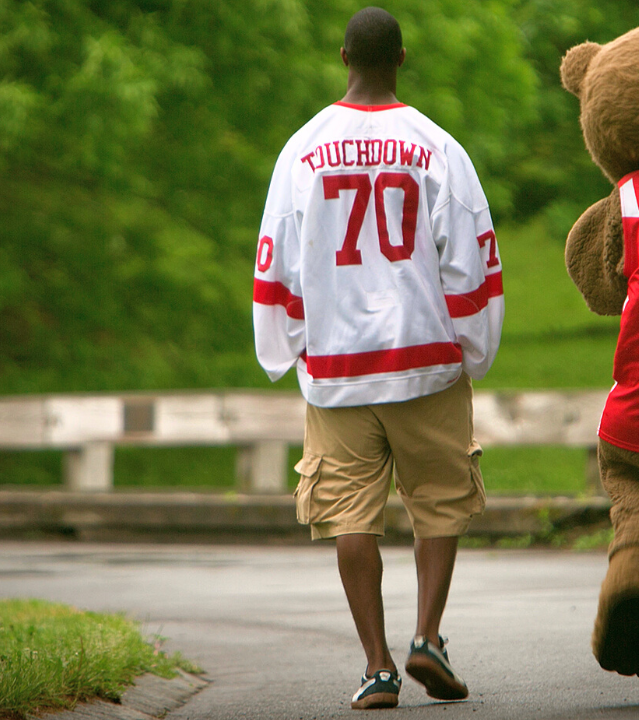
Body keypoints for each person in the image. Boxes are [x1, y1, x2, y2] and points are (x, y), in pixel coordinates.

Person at [253, 6, 503, 711]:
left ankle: (378, 665)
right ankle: (428, 635)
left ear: (343, 57)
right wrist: (474, 343)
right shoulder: (436, 146)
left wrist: (287, 345)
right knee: (441, 502)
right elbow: (472, 257)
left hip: (338, 369)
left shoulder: (302, 150)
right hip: (425, 356)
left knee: (349, 517)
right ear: (402, 58)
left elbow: (279, 261)